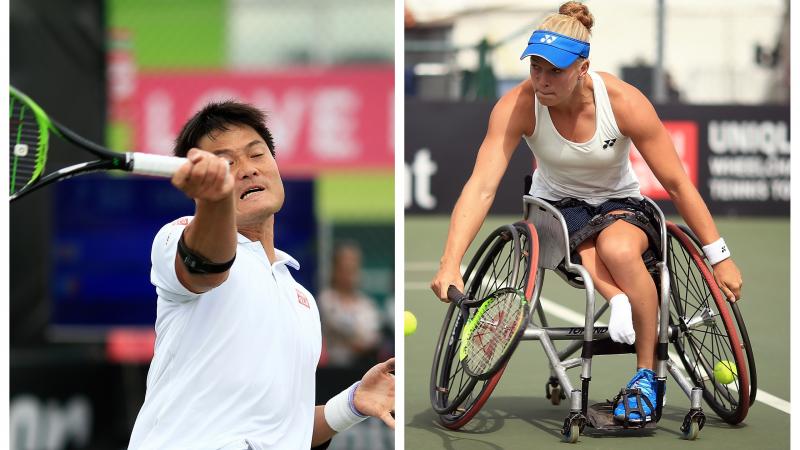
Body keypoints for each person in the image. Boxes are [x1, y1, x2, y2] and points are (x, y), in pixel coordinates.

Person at [430, 1, 742, 425]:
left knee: (618, 247)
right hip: (554, 207)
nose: (542, 80)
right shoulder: (518, 105)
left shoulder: (624, 102)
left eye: (554, 70)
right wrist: (450, 262)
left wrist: (719, 256)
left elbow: (677, 184)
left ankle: (647, 376)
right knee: (574, 237)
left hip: (619, 203)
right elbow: (481, 187)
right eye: (535, 68)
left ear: (583, 67)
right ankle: (619, 302)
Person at [128, 101, 394, 450]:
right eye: (226, 163)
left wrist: (351, 404)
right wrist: (216, 201)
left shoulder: (304, 302)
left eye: (257, 155)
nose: (248, 170)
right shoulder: (177, 236)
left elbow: (285, 431)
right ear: (197, 184)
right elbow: (205, 265)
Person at [318, 242, 382, 368]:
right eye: (345, 268)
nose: (349, 275)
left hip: (364, 370)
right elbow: (344, 330)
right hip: (333, 371)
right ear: (335, 270)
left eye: (353, 268)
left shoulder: (368, 304)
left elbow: (371, 339)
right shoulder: (326, 300)